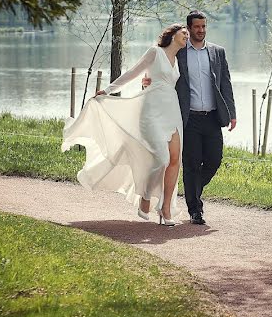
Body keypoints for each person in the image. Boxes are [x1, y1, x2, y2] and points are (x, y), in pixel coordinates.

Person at [61, 24, 189, 226]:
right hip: (151, 111)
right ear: (172, 35)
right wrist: (109, 90)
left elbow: (163, 81)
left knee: (175, 160)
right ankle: (145, 197)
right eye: (184, 33)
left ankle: (165, 210)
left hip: (172, 111)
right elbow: (133, 72)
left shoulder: (178, 60)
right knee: (161, 158)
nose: (187, 36)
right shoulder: (155, 52)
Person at [176, 10, 236, 224]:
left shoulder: (217, 52)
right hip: (189, 118)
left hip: (212, 117)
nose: (201, 30)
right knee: (191, 164)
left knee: (214, 160)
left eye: (203, 26)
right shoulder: (179, 53)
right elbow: (165, 76)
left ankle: (191, 189)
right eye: (197, 27)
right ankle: (195, 210)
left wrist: (232, 113)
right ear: (189, 28)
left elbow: (225, 84)